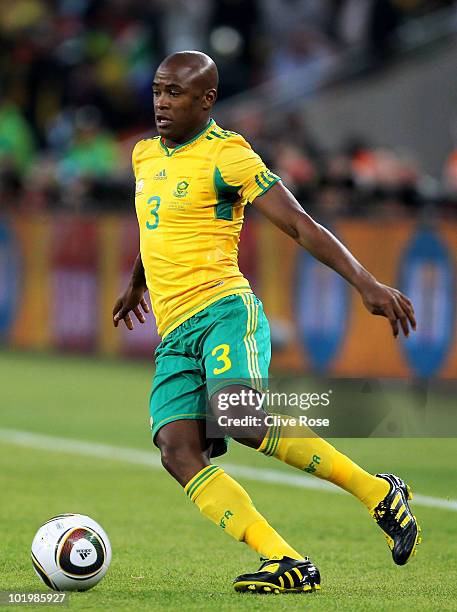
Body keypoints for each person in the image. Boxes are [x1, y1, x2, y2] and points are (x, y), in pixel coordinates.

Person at [113, 51, 420, 594]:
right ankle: (285, 561)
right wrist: (139, 280)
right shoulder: (143, 155)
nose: (161, 102)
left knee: (242, 417)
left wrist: (367, 283)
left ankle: (377, 492)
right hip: (174, 332)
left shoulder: (228, 155)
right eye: (157, 91)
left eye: (174, 93)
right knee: (176, 449)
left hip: (223, 311)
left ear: (206, 99)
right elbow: (153, 224)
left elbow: (300, 225)